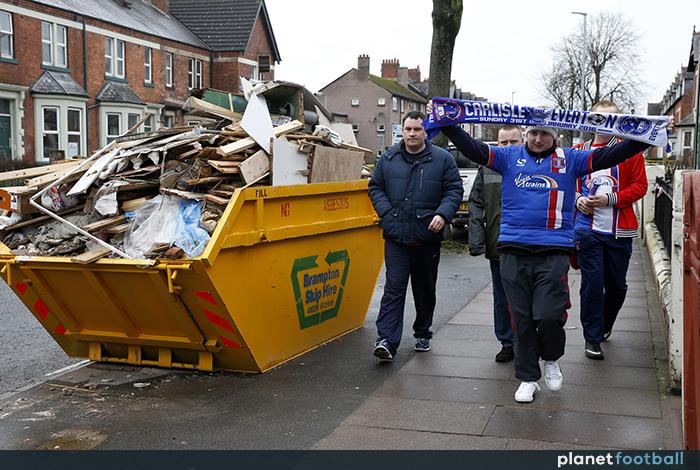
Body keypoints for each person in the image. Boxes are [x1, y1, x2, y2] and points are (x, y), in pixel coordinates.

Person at [429, 101, 650, 403]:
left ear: (555, 135)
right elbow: (474, 149)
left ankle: (551, 359)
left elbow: (613, 154)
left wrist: (649, 134)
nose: (537, 139)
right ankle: (528, 378)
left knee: (548, 315)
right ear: (526, 134)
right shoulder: (508, 156)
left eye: (544, 134)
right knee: (520, 317)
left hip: (553, 250)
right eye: (533, 133)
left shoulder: (571, 159)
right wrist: (447, 122)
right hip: (512, 249)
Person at [368, 110, 463, 362]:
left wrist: (442, 215)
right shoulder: (388, 158)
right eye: (408, 129)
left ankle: (423, 332)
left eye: (417, 129)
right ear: (402, 130)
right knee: (394, 288)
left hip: (426, 237)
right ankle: (386, 340)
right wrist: (386, 213)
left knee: (424, 290)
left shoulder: (442, 159)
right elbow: (375, 187)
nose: (412, 133)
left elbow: (454, 190)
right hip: (396, 236)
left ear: (425, 132)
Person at [574, 101, 648, 360]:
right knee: (592, 284)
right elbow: (565, 183)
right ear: (591, 120)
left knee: (616, 287)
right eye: (600, 117)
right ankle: (592, 338)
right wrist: (578, 200)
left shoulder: (629, 151)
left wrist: (611, 199)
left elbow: (640, 186)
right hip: (587, 230)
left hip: (620, 231)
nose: (605, 123)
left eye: (611, 118)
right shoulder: (578, 151)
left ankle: (605, 324)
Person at [468, 125, 522, 363]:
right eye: (503, 143)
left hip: (528, 245)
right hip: (498, 244)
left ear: (523, 141)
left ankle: (526, 341)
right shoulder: (487, 167)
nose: (508, 147)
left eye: (513, 142)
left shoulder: (534, 166)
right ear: (497, 144)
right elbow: (476, 203)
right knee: (502, 298)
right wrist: (477, 241)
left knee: (526, 298)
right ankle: (507, 342)